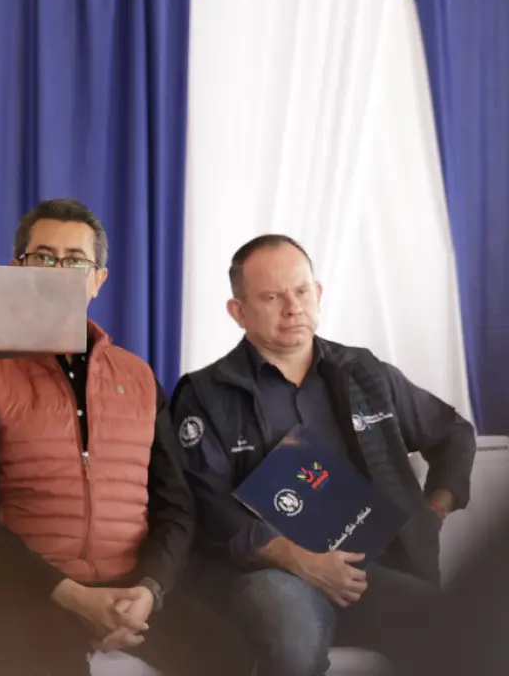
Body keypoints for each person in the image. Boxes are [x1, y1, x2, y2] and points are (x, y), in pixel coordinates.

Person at [0, 198, 251, 676]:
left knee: (229, 656)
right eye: (42, 257)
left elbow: (176, 507)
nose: (57, 272)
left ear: (98, 279)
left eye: (75, 261)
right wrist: (73, 597)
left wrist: (148, 592)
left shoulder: (140, 378)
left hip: (133, 590)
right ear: (16, 267)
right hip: (31, 592)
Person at [172, 234, 477, 676]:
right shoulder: (204, 394)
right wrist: (297, 558)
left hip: (371, 573)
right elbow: (209, 506)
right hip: (269, 576)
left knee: (460, 629)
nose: (292, 307)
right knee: (290, 630)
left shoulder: (364, 372)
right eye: (272, 296)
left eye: (300, 291)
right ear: (237, 312)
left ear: (317, 293)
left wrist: (435, 507)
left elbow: (454, 433)